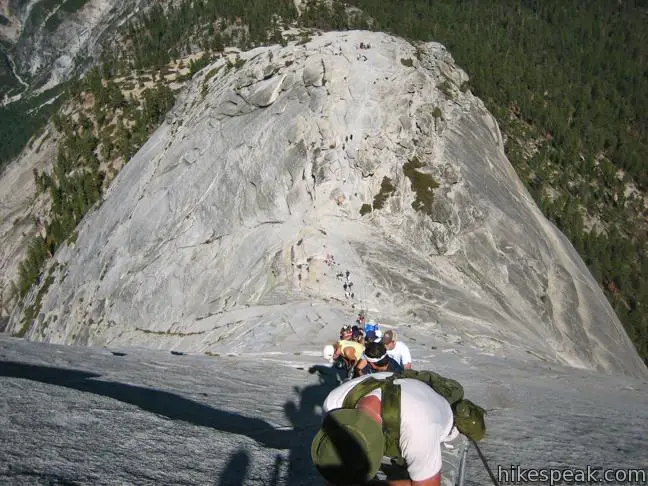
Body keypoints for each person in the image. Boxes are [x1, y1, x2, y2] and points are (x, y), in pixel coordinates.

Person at [311, 371, 457, 486]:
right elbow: (333, 468)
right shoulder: (333, 405)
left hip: (442, 433)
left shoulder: (418, 428)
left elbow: (428, 485)